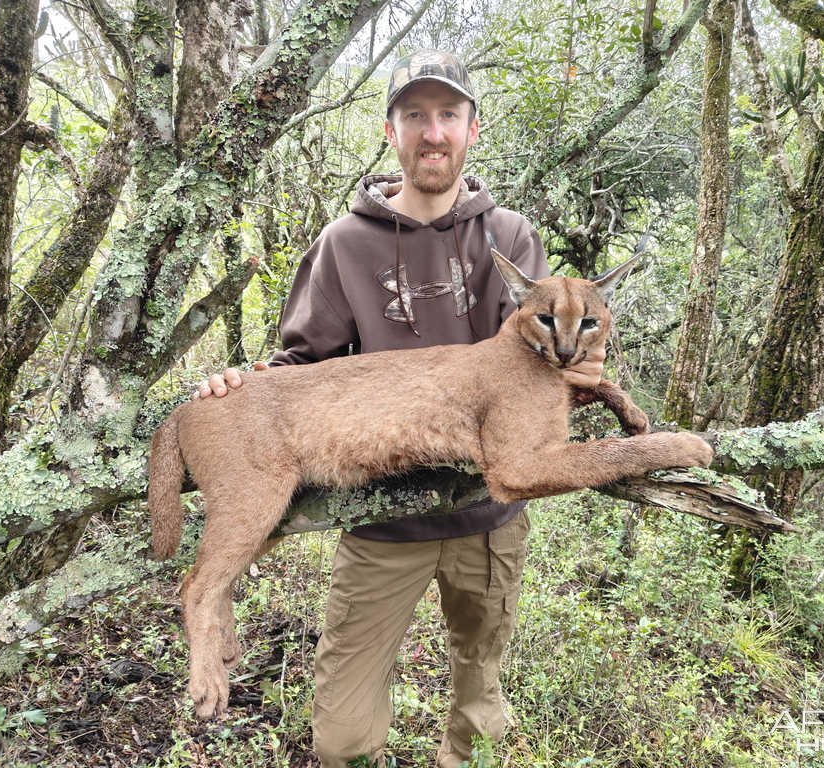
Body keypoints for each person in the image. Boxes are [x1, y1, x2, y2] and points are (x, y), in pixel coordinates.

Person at [196, 48, 604, 767]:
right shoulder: (345, 244)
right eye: (415, 115)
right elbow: (302, 369)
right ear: (392, 132)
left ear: (473, 129)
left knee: (480, 708)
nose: (433, 133)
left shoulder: (509, 238)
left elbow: (553, 354)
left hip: (489, 516)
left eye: (448, 115)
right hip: (383, 519)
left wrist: (590, 371)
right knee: (342, 738)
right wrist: (240, 393)